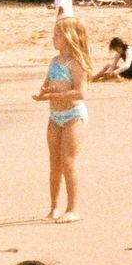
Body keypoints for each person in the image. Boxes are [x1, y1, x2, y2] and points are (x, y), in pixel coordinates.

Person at [36, 16, 89, 222]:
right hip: (55, 116)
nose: (53, 38)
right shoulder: (54, 61)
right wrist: (43, 94)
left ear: (69, 37)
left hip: (73, 116)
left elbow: (81, 93)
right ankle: (54, 207)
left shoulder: (76, 63)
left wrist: (59, 95)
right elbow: (47, 84)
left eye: (57, 35)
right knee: (54, 162)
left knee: (68, 161)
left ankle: (73, 208)